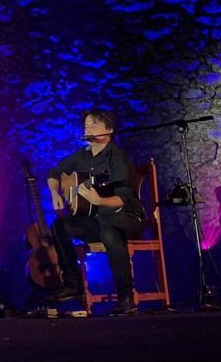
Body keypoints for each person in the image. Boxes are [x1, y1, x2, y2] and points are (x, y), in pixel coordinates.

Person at [45, 110, 146, 315]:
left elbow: (123, 198)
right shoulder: (83, 154)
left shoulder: (117, 157)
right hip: (99, 219)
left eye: (93, 124)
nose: (87, 128)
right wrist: (55, 192)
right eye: (86, 124)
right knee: (60, 226)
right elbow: (54, 173)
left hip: (128, 217)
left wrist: (99, 200)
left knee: (109, 230)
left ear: (109, 130)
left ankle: (126, 297)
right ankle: (72, 284)